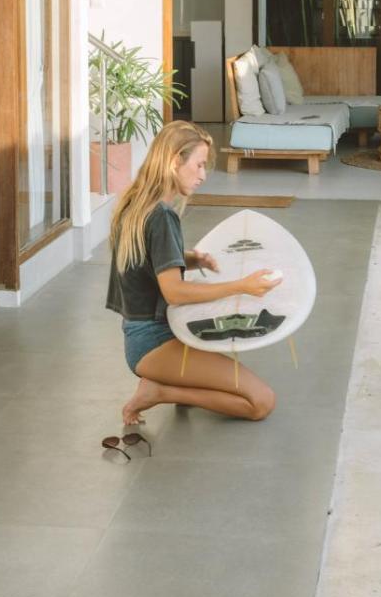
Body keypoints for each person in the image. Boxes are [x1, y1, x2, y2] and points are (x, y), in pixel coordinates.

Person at [107, 120, 281, 426]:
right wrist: (242, 286)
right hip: (155, 342)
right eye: (199, 165)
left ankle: (164, 385)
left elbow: (141, 262)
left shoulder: (135, 203)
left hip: (143, 336)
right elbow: (174, 292)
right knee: (261, 402)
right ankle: (159, 391)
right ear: (176, 160)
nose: (203, 175)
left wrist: (187, 259)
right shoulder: (162, 216)